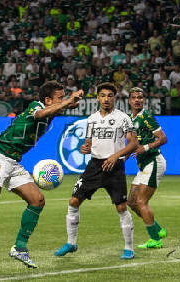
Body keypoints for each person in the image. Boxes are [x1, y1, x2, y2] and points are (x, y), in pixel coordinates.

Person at [0, 81, 84, 268]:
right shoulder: (36, 107)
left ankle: (19, 248)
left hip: (13, 160)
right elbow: (42, 113)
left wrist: (69, 102)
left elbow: (57, 110)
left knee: (37, 200)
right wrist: (67, 101)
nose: (62, 100)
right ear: (47, 100)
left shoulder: (52, 111)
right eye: (59, 97)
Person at [55, 82, 139, 259]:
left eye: (110, 95)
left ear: (115, 98)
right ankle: (71, 243)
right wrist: (85, 148)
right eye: (103, 95)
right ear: (97, 97)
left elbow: (133, 143)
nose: (106, 99)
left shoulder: (123, 118)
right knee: (73, 202)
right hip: (94, 166)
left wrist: (116, 156)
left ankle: (129, 248)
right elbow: (88, 143)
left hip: (115, 167)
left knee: (121, 207)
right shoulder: (92, 119)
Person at [127, 87, 168, 249]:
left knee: (141, 201)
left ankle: (155, 240)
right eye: (134, 98)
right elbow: (132, 144)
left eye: (140, 97)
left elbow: (163, 138)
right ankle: (158, 229)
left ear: (143, 100)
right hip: (143, 165)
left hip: (154, 161)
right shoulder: (130, 119)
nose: (138, 100)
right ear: (129, 101)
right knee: (131, 202)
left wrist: (144, 148)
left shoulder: (146, 117)